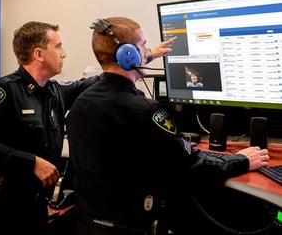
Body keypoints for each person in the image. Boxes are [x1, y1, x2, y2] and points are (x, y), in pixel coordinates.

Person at [0, 20, 174, 235]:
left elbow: (108, 76)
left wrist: (142, 56)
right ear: (39, 54)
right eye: (58, 46)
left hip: (34, 207)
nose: (63, 54)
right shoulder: (2, 91)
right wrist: (31, 163)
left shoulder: (54, 92)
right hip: (1, 210)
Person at [65, 17, 270, 235]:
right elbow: (190, 162)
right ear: (129, 55)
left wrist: (149, 53)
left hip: (86, 225)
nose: (147, 51)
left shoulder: (81, 103)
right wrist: (241, 160)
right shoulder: (144, 110)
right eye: (143, 45)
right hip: (132, 228)